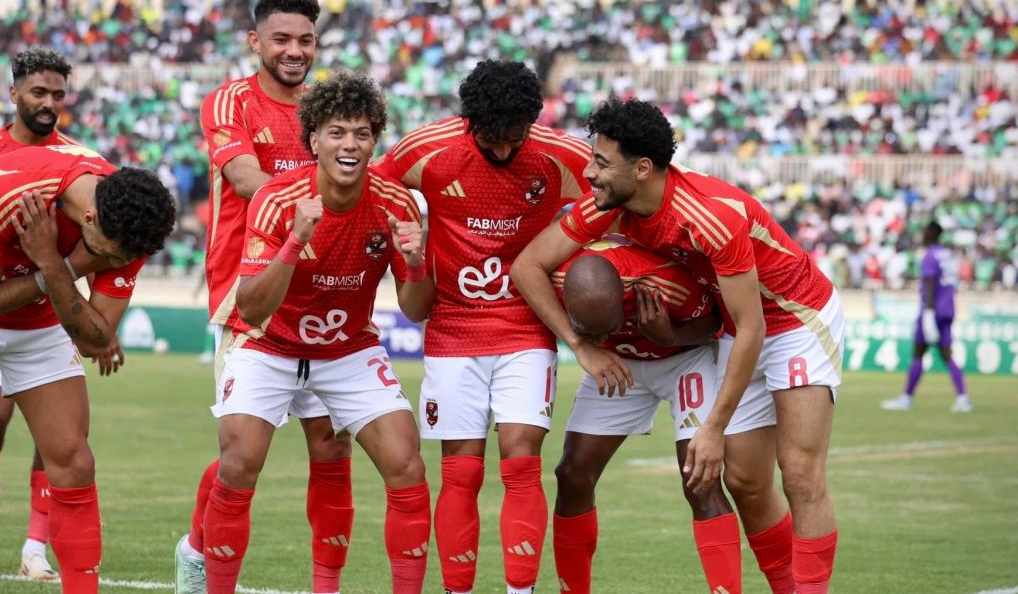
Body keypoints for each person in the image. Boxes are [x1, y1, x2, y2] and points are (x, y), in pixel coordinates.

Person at [511, 97, 844, 594]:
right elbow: (527, 266)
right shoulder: (607, 205)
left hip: (793, 317)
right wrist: (582, 346)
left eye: (602, 162)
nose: (589, 172)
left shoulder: (710, 216)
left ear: (642, 169)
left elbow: (753, 326)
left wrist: (712, 427)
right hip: (735, 326)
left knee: (798, 476)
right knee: (746, 484)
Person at [0, 144, 175, 594]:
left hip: (42, 316)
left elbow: (95, 339)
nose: (120, 264)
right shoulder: (13, 190)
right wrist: (63, 269)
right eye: (113, 255)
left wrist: (56, 264)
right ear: (90, 219)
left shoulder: (133, 223)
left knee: (74, 461)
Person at [202, 71, 434, 593]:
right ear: (313, 140)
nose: (349, 144)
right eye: (336, 132)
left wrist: (417, 263)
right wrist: (294, 243)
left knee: (406, 463)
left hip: (346, 348)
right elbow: (252, 306)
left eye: (362, 132)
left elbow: (417, 311)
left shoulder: (396, 203)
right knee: (238, 462)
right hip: (269, 344)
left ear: (375, 140)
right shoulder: (279, 200)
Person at [373, 60, 591, 594]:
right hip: (452, 329)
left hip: (526, 325)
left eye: (512, 139)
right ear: (469, 122)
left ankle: (521, 590)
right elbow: (372, 186)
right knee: (461, 471)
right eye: (488, 139)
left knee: (521, 456)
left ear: (531, 123)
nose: (500, 151)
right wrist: (406, 244)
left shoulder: (562, 155)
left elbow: (618, 192)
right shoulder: (428, 148)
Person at [175, 0, 356, 594]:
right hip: (248, 291)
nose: (294, 50)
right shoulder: (231, 101)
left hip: (325, 297)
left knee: (331, 448)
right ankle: (196, 551)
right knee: (243, 455)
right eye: (281, 39)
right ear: (255, 41)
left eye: (305, 40)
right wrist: (309, 199)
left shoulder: (325, 108)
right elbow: (246, 174)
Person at [0, 48, 81, 582]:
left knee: (56, 436)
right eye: (38, 93)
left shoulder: (77, 158)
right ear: (14, 94)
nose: (49, 103)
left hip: (45, 317)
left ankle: (35, 545)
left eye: (57, 95)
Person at [550, 246, 739, 594]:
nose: (601, 336)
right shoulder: (557, 278)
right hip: (616, 364)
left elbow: (714, 320)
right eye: (591, 330)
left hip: (683, 359)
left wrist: (671, 336)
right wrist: (584, 344)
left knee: (700, 480)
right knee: (572, 474)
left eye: (606, 327)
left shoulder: (666, 283)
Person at [881, 221, 971, 412]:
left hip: (933, 309)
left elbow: (930, 284)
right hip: (948, 309)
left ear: (931, 233)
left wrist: (929, 313)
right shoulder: (947, 255)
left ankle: (906, 398)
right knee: (947, 354)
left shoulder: (930, 256)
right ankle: (963, 397)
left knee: (918, 353)